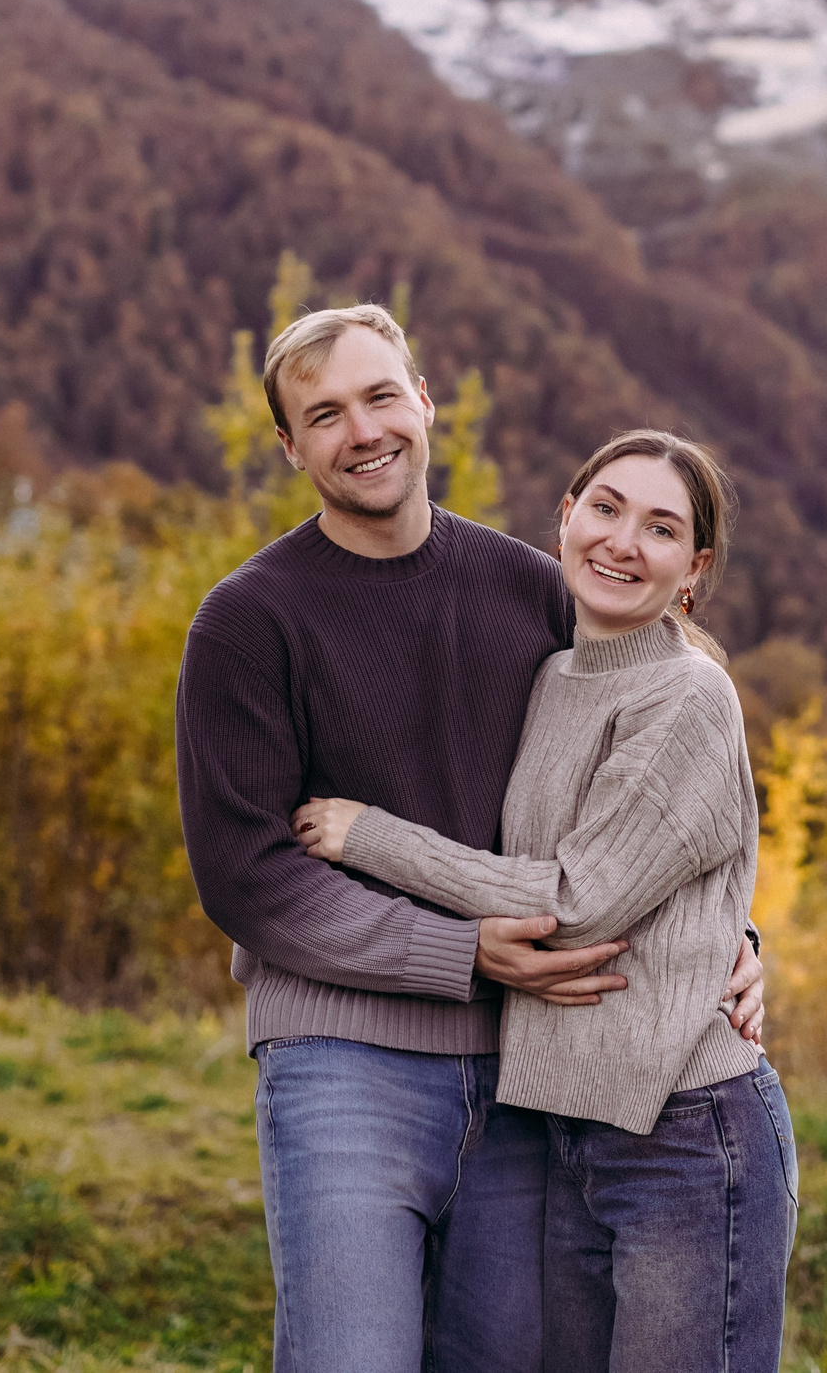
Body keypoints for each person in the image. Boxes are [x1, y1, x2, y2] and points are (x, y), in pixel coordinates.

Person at [174, 306, 765, 1373]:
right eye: (324, 414)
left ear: (422, 401)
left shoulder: (530, 592)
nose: (361, 430)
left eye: (379, 396)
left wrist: (735, 939)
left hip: (520, 1077)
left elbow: (636, 803)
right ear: (290, 446)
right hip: (342, 1056)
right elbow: (245, 875)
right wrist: (456, 952)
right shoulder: (247, 622)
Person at [293, 430, 797, 1373]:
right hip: (566, 1134)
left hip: (687, 1135)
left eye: (660, 527)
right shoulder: (554, 673)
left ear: (695, 567)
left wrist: (371, 837)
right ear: (564, 520)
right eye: (605, 508)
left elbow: (576, 898)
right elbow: (611, 863)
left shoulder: (689, 694)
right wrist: (732, 932)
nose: (621, 540)